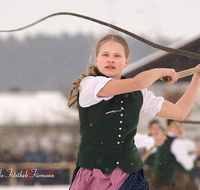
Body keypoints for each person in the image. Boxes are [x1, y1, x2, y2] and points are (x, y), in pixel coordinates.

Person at [67, 33, 200, 190]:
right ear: (97, 60)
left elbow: (180, 112)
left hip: (131, 175)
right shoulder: (89, 84)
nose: (110, 59)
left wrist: (197, 78)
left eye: (117, 55)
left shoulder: (139, 94)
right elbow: (139, 82)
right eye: (105, 55)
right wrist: (160, 71)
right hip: (94, 175)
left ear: (126, 62)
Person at [152, 119, 199, 190]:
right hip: (166, 182)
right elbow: (188, 165)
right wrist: (195, 154)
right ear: (169, 128)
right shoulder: (176, 142)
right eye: (176, 127)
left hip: (156, 180)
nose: (180, 129)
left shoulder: (163, 138)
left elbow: (185, 144)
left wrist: (195, 145)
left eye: (181, 126)